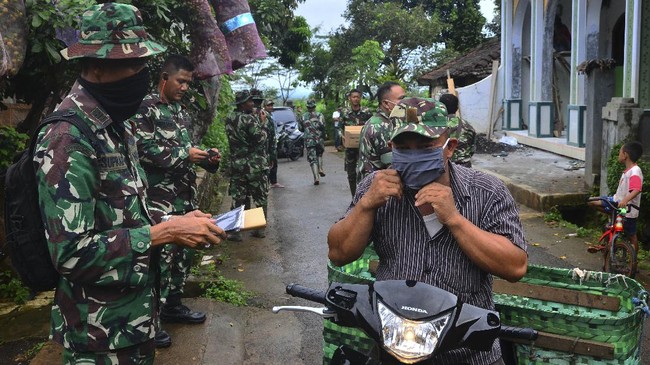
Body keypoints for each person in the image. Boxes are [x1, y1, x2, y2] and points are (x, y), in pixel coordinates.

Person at [34, 3, 226, 363]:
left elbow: (125, 211)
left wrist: (174, 221)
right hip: (98, 335)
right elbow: (71, 253)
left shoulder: (115, 123)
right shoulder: (68, 136)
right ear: (97, 65)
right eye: (134, 63)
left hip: (133, 321)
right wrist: (164, 234)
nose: (142, 73)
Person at [327, 97, 527, 365]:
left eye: (424, 147)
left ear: (449, 148)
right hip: (394, 347)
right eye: (403, 148)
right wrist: (366, 205)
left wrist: (455, 219)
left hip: (469, 352)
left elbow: (514, 267)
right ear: (391, 147)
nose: (413, 155)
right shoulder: (374, 189)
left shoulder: (487, 192)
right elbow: (339, 253)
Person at [132, 54, 221, 348]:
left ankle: (173, 305)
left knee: (182, 259)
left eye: (188, 83)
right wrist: (186, 154)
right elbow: (143, 149)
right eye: (181, 82)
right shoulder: (145, 107)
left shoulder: (181, 112)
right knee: (158, 261)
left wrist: (207, 160)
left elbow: (184, 150)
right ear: (164, 79)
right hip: (158, 200)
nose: (184, 87)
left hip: (183, 197)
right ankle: (151, 322)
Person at [225, 90, 271, 240]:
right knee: (259, 196)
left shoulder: (230, 118)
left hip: (238, 165)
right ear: (243, 104)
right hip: (254, 165)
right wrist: (263, 124)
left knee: (239, 197)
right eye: (250, 101)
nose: (252, 104)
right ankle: (259, 229)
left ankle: (235, 231)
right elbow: (260, 139)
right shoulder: (249, 119)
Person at [588, 141, 644, 251]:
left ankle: (634, 261)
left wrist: (625, 200)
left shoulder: (635, 172)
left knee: (632, 236)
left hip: (627, 210)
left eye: (620, 152)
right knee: (591, 201)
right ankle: (611, 213)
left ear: (625, 155)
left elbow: (637, 189)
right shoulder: (629, 171)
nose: (619, 155)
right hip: (615, 202)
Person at [356, 81, 406, 182]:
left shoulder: (381, 121)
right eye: (401, 99)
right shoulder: (382, 126)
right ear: (386, 103)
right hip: (377, 186)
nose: (405, 103)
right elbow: (395, 164)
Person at [341, 88, 373, 196]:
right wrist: (342, 138)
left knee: (364, 172)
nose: (355, 99)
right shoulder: (345, 113)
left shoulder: (367, 112)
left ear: (360, 98)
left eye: (357, 97)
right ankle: (354, 197)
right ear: (350, 98)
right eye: (353, 97)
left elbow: (371, 127)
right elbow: (340, 128)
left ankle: (363, 195)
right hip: (350, 149)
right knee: (351, 174)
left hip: (363, 148)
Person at [439, 93, 477, 168]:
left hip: (443, 168)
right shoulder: (468, 127)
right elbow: (473, 149)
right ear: (457, 108)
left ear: (440, 108)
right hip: (465, 168)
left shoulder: (434, 127)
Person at [302, 99, 327, 185]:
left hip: (309, 140)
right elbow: (324, 127)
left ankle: (316, 177)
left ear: (307, 107)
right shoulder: (320, 115)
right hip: (319, 138)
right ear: (314, 107)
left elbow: (300, 128)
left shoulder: (303, 116)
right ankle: (320, 168)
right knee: (319, 154)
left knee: (312, 158)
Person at [263, 99, 284, 188]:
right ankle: (268, 182)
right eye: (268, 105)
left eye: (271, 105)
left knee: (274, 162)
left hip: (273, 142)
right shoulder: (264, 116)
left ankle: (273, 182)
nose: (271, 107)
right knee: (269, 163)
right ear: (264, 106)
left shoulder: (271, 116)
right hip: (268, 143)